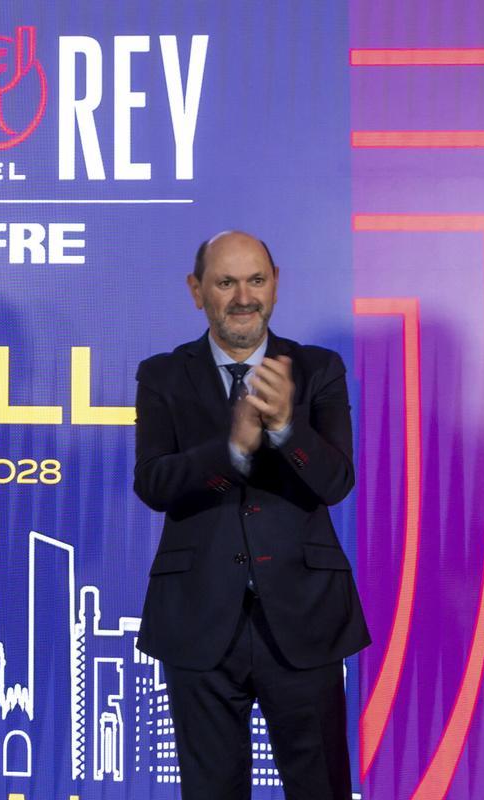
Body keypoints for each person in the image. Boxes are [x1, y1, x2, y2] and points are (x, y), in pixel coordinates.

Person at [133, 230, 370, 799]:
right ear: (197, 291)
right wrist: (233, 450)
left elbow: (337, 481)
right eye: (226, 282)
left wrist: (287, 427)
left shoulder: (317, 370)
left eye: (256, 280)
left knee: (321, 787)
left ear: (276, 285)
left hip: (304, 616)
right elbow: (153, 483)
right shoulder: (162, 375)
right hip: (197, 619)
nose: (244, 297)